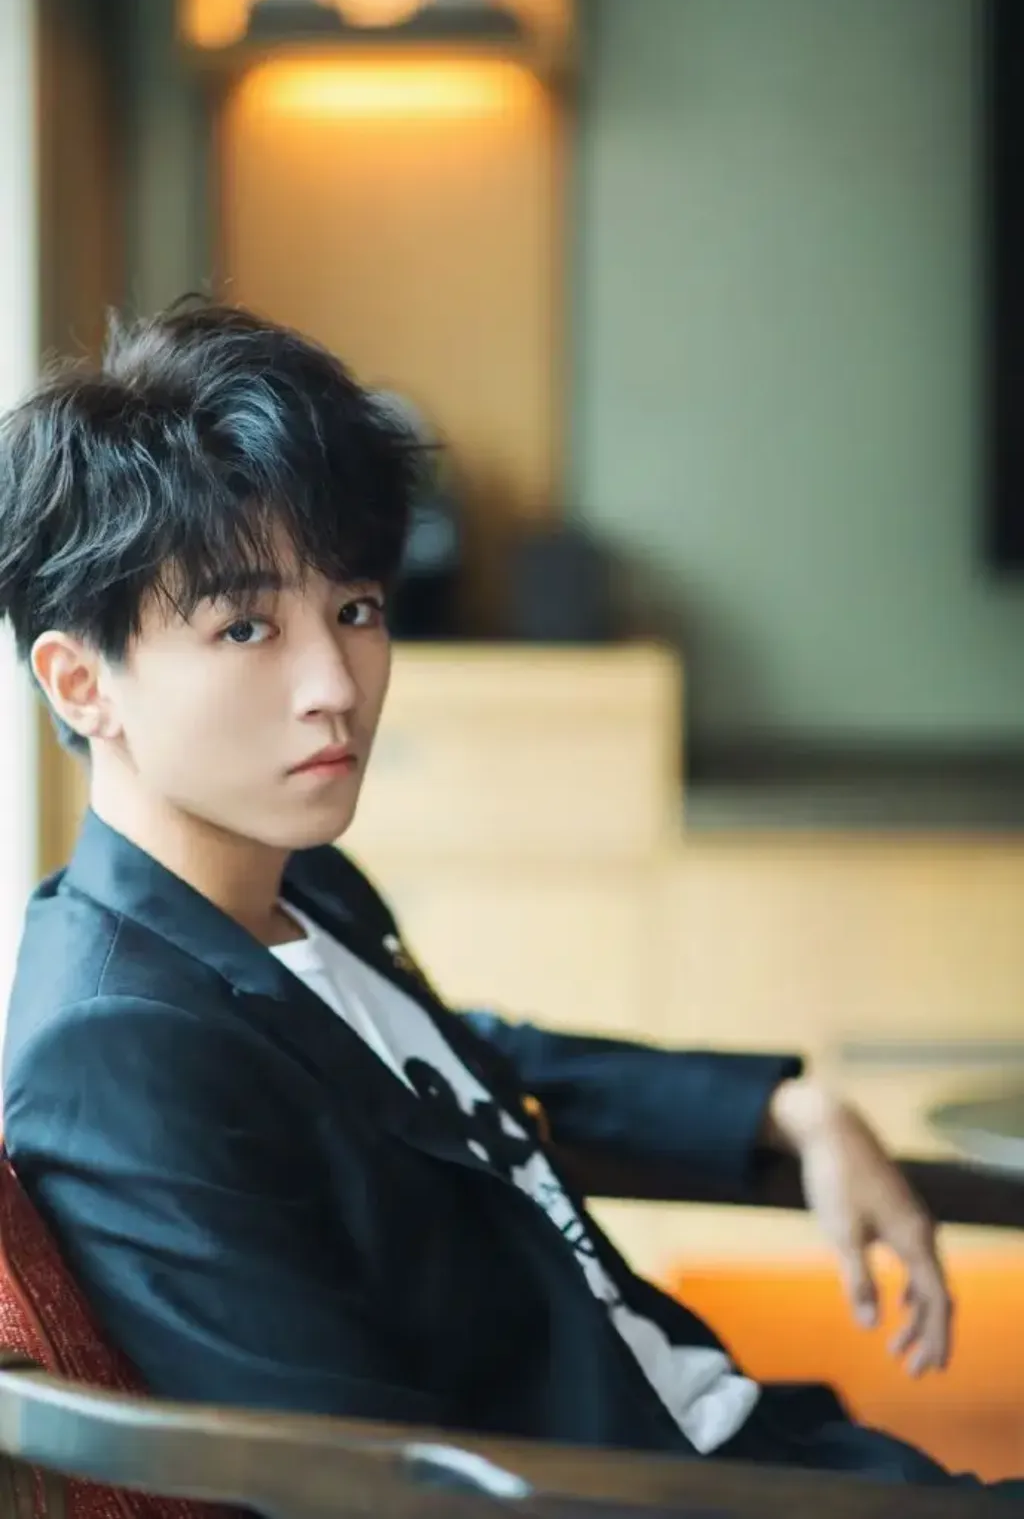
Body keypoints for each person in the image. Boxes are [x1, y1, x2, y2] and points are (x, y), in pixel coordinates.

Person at [0, 302, 1014, 1496]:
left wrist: (783, 1107)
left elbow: (450, 1064)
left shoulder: (291, 885)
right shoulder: (115, 1050)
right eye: (246, 626)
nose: (335, 685)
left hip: (748, 1441)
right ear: (81, 682)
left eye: (356, 610)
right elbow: (358, 1483)